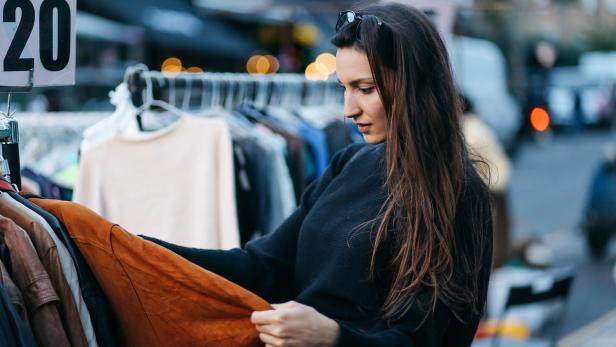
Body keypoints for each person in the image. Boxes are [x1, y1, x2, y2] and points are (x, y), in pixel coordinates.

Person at [145, 3, 493, 346]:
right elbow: (264, 267)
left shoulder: (458, 190)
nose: (347, 109)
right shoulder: (350, 162)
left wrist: (333, 338)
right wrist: (134, 249)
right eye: (344, 87)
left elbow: (427, 339)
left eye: (365, 88)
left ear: (412, 83)